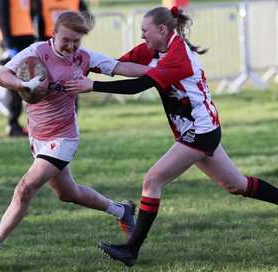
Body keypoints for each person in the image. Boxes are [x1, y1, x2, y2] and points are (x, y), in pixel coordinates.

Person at [65, 6, 278, 267]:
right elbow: (118, 65)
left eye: (145, 30)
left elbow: (140, 85)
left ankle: (131, 250)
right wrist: (78, 57)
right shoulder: (154, 49)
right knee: (236, 185)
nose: (142, 36)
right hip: (198, 129)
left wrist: (93, 86)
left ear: (162, 30)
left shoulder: (179, 56)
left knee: (152, 180)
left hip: (200, 131)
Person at [0, 10, 149, 268]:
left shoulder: (84, 58)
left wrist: (160, 70)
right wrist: (23, 85)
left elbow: (121, 67)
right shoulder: (37, 51)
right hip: (38, 137)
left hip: (64, 137)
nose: (71, 46)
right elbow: (0, 74)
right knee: (68, 193)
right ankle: (121, 210)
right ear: (54, 34)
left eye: (77, 41)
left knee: (25, 188)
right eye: (67, 40)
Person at [33, 0, 91, 113]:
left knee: (71, 82)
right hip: (49, 47)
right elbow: (37, 20)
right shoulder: (42, 2)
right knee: (48, 85)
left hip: (70, 52)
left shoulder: (76, 1)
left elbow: (89, 18)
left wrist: (77, 34)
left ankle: (71, 114)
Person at [0, 0, 36, 137]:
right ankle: (12, 123)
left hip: (26, 37)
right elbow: (1, 14)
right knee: (15, 84)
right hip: (14, 40)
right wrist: (8, 44)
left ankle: (29, 123)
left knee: (29, 83)